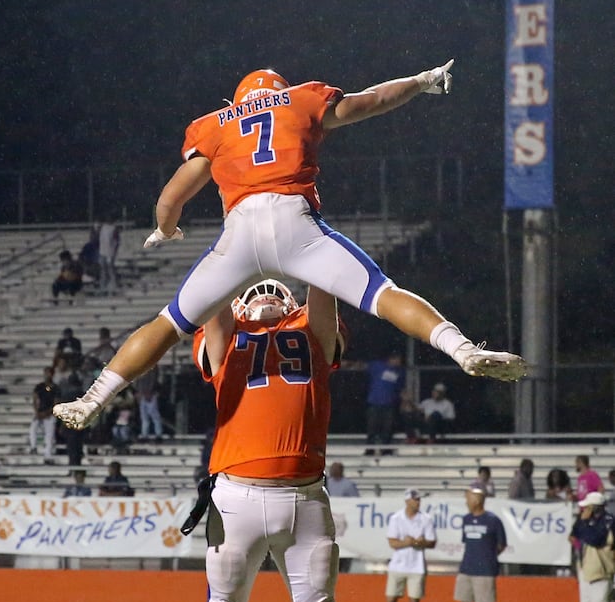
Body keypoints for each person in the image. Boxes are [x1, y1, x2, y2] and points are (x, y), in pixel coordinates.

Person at [53, 63, 527, 433]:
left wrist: (166, 229)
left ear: (236, 100)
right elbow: (372, 101)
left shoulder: (215, 125)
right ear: (279, 90)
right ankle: (461, 349)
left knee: (170, 323)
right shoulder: (300, 99)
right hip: (295, 222)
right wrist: (421, 82)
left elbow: (170, 197)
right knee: (383, 294)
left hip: (239, 234)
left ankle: (94, 397)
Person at [180, 278, 377, 602]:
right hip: (235, 495)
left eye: (275, 289)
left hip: (305, 498)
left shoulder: (312, 326)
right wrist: (231, 263)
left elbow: (325, 286)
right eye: (254, 288)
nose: (265, 293)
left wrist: (312, 259)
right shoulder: (225, 335)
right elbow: (213, 303)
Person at [445, 483, 507, 602]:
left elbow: (501, 544)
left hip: (485, 569)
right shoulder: (466, 519)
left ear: (478, 499)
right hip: (467, 566)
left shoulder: (493, 521)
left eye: (469, 497)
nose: (467, 500)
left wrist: (488, 556)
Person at [382, 487, 436, 602]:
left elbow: (432, 542)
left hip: (416, 565)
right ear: (407, 501)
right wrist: (409, 542)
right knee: (390, 600)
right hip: (398, 564)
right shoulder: (397, 518)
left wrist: (420, 542)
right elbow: (392, 542)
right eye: (415, 499)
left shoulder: (425, 519)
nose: (418, 502)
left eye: (419, 499)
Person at [569, 492, 615, 602]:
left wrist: (584, 525)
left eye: (587, 507)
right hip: (585, 566)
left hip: (600, 568)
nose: (584, 510)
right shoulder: (585, 521)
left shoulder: (608, 521)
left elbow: (596, 539)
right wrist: (583, 525)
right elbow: (572, 535)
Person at [364, 351, 405, 446]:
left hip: (389, 404)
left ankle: (386, 449)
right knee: (372, 427)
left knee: (388, 428)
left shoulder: (399, 372)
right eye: (398, 360)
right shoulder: (378, 366)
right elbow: (363, 366)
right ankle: (370, 448)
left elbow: (400, 388)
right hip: (375, 402)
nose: (399, 362)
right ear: (392, 359)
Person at [29, 367, 59, 461]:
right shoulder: (39, 386)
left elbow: (56, 402)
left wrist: (47, 413)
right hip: (40, 412)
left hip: (49, 414)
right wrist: (37, 412)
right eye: (46, 373)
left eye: (49, 373)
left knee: (49, 435)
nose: (47, 375)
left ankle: (47, 455)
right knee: (33, 428)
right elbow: (35, 399)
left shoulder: (55, 387)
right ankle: (33, 447)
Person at [135, 366, 163, 441]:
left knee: (154, 416)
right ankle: (144, 435)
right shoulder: (140, 368)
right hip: (142, 395)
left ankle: (158, 434)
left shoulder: (153, 367)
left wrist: (150, 391)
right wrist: (138, 392)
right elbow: (137, 381)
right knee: (144, 417)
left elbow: (153, 379)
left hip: (150, 394)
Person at [98, 221, 120, 295]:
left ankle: (114, 285)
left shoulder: (114, 228)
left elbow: (117, 241)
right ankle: (103, 286)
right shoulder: (102, 227)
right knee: (103, 270)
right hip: (102, 252)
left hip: (110, 253)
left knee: (110, 269)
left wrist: (114, 251)